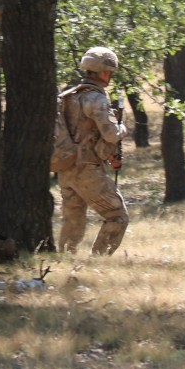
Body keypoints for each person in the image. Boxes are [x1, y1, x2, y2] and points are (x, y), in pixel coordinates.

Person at [57, 46, 129, 256]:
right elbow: (110, 134)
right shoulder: (96, 98)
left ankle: (65, 262)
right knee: (117, 216)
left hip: (65, 168)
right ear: (105, 72)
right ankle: (99, 261)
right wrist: (122, 129)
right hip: (86, 170)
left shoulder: (68, 96)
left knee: (73, 222)